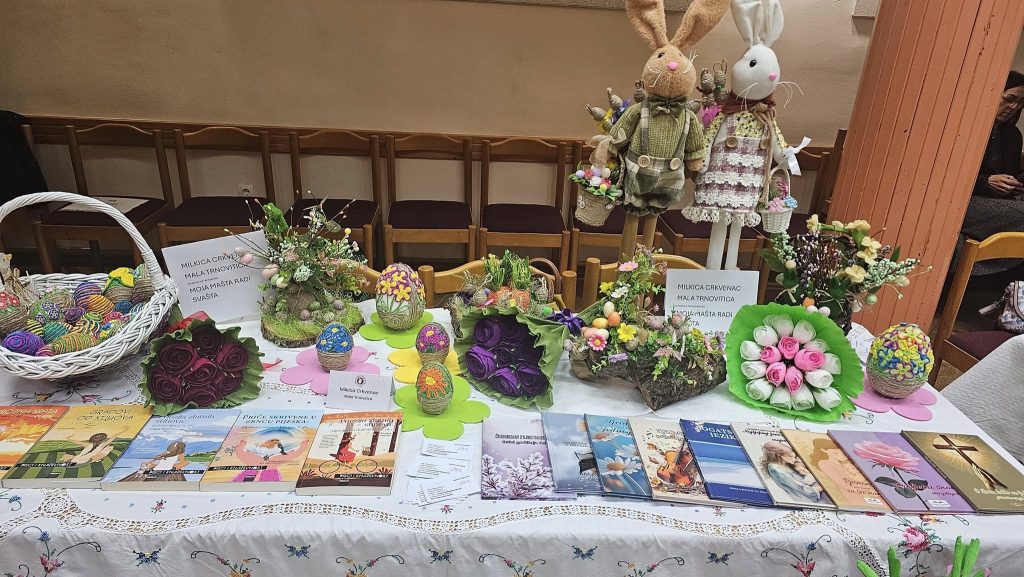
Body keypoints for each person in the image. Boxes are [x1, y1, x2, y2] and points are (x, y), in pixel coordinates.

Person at [960, 70, 1024, 274]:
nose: (1014, 107)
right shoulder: (966, 128)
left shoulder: (1013, 135)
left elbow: (1010, 175)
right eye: (1009, 99)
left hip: (997, 199)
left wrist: (1013, 184)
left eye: (1020, 103)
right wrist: (986, 181)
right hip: (965, 199)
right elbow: (951, 179)